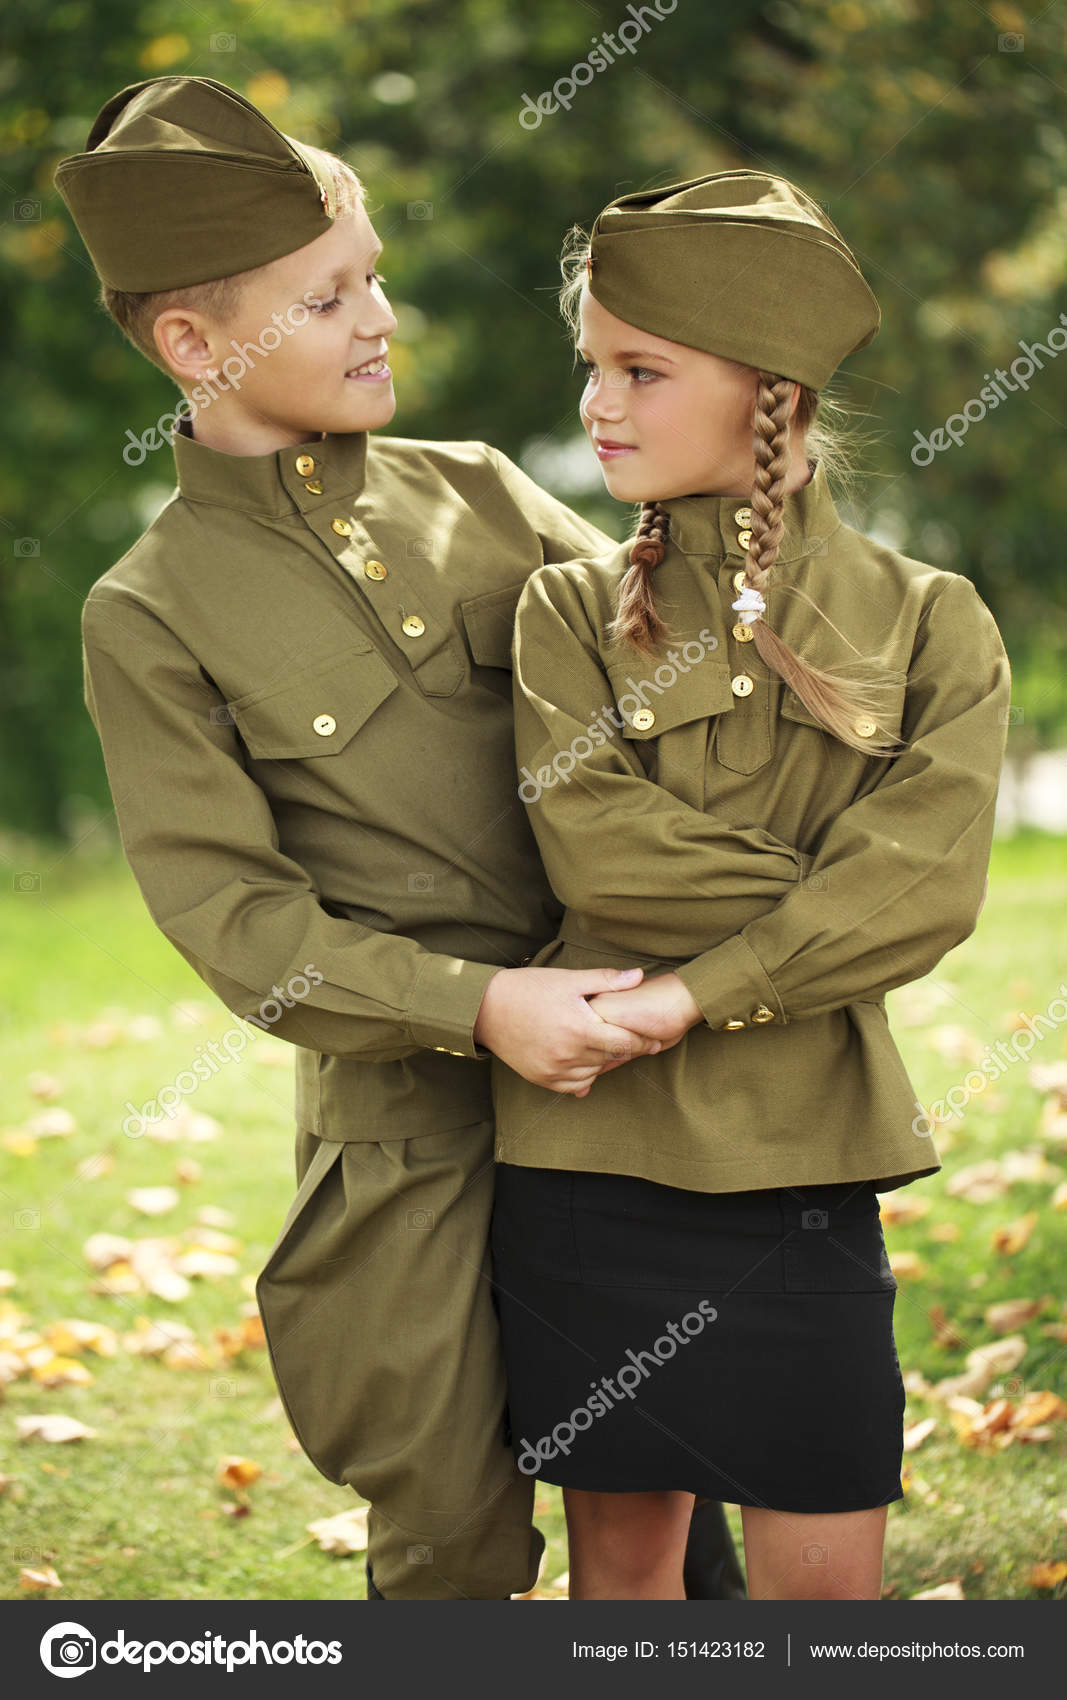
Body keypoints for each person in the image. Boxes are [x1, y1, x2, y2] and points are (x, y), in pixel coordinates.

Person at [52, 76, 745, 1601]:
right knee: (448, 1540)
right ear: (194, 346)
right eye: (327, 297)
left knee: (667, 1495)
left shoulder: (482, 493)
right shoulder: (150, 612)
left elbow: (688, 674)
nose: (380, 317)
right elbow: (238, 925)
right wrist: (478, 1006)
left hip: (628, 1092)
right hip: (406, 1152)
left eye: (371, 275)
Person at [488, 171, 1011, 1601]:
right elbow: (596, 847)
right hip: (588, 1174)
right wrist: (840, 892)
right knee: (623, 1598)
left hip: (805, 1167)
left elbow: (932, 890)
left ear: (768, 391)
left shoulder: (932, 622)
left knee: (825, 1612)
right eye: (592, 365)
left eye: (640, 370)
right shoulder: (564, 611)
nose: (599, 404)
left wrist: (693, 995)